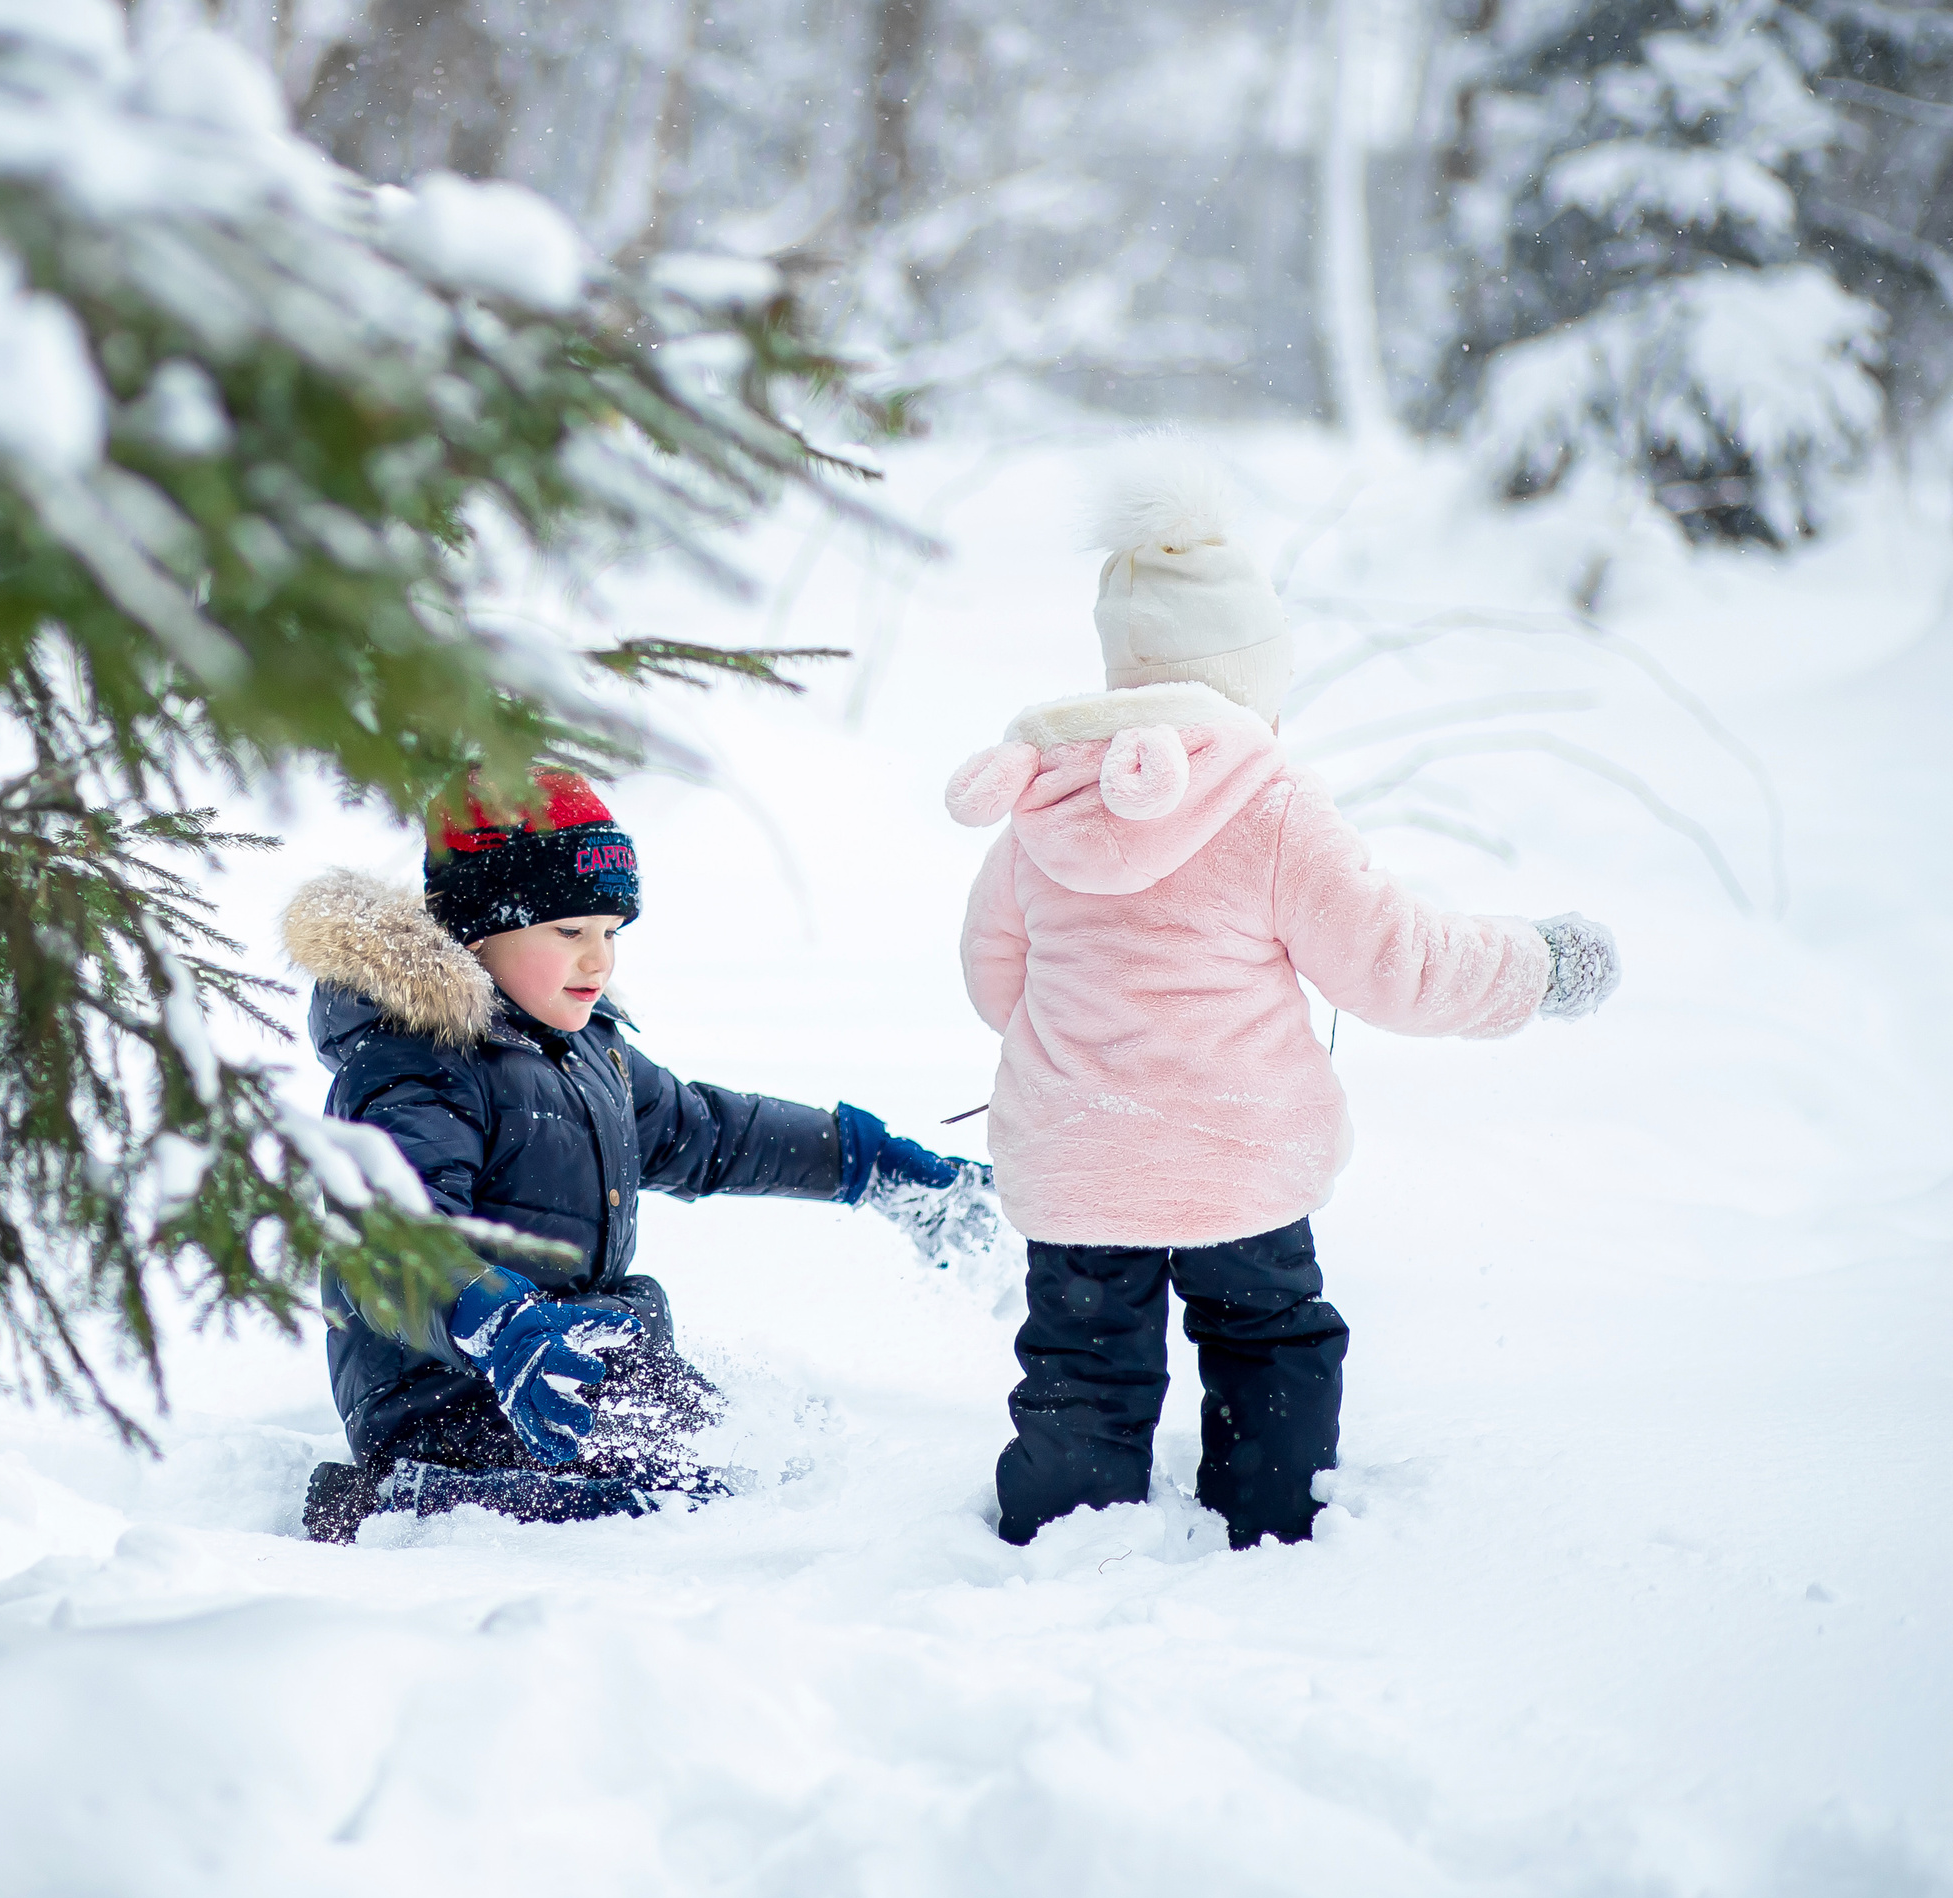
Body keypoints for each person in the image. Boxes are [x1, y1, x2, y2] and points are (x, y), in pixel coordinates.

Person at [943, 438, 1620, 1552]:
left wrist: (1086, 1062)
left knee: (1080, 1358)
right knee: (1266, 1337)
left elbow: (993, 978)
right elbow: (1394, 962)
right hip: (1236, 1157)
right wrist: (1539, 964)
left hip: (1075, 1158)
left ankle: (1064, 1531)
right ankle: (1264, 1528)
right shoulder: (1270, 806)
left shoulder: (1042, 801)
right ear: (1249, 678)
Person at [287, 769, 996, 1542]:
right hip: (453, 1396)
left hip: (588, 1359)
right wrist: (498, 1324)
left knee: (754, 1471)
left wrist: (867, 1163)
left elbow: (709, 1133)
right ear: (479, 930)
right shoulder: (415, 1064)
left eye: (610, 933)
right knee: (652, 1514)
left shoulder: (589, 1053)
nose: (599, 962)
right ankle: (399, 1502)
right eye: (569, 933)